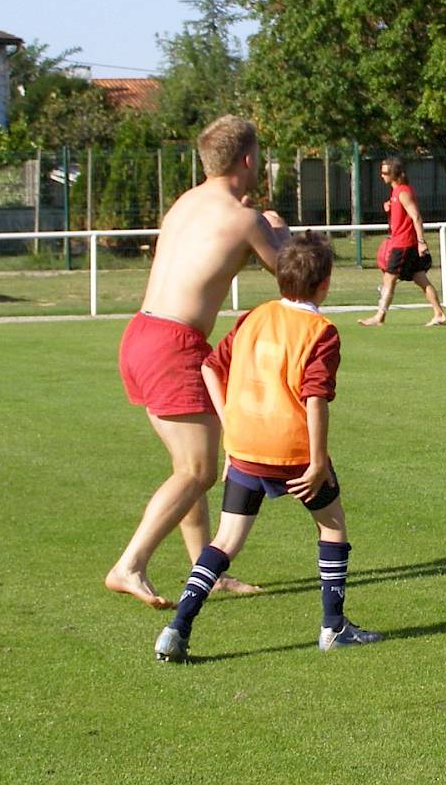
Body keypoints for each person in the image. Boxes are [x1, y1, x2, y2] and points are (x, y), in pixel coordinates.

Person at [154, 233, 382, 661]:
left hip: (246, 447)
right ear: (325, 283)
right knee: (332, 525)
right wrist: (317, 463)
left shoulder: (253, 317)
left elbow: (210, 367)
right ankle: (333, 627)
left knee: (225, 541)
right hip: (292, 450)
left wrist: (231, 427)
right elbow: (315, 398)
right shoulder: (320, 332)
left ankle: (176, 627)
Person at [107, 114, 289, 609]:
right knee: (198, 470)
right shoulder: (245, 219)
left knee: (188, 465)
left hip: (140, 334)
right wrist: (280, 229)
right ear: (248, 159)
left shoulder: (185, 202)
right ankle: (130, 565)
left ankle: (205, 571)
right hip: (174, 344)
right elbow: (292, 276)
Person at [359, 156, 446, 327]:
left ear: (394, 174)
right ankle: (439, 314)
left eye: (385, 173)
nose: (382, 175)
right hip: (404, 243)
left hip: (403, 245)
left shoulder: (402, 192)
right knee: (420, 278)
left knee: (389, 279)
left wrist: (421, 242)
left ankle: (379, 317)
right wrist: (390, 209)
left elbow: (416, 217)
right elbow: (402, 217)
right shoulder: (396, 192)